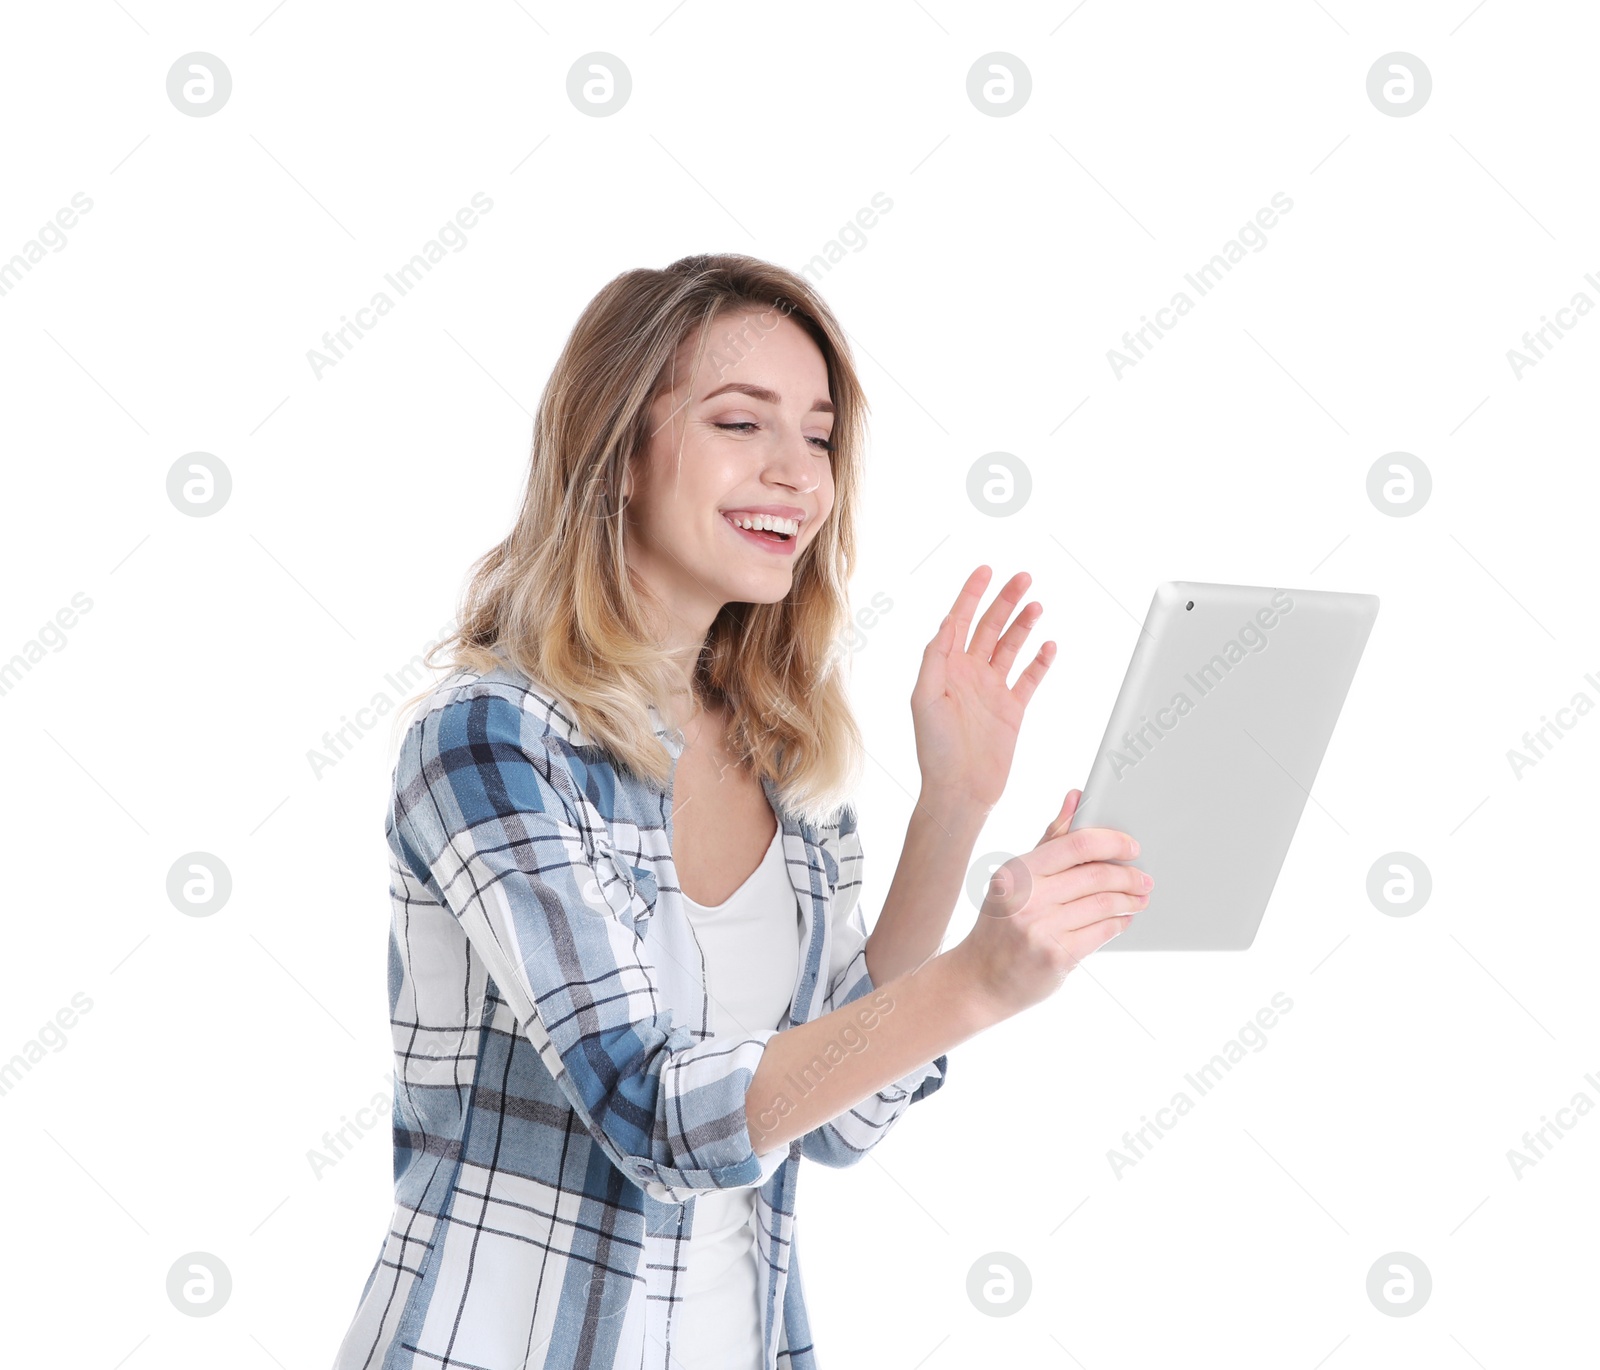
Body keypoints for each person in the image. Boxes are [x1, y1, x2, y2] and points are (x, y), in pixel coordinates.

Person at [331, 252, 1150, 1370]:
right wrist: (981, 976)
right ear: (616, 449)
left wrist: (953, 806)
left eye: (816, 436)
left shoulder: (782, 757)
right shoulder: (491, 740)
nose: (796, 475)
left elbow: (838, 1113)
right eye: (738, 423)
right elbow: (652, 1116)